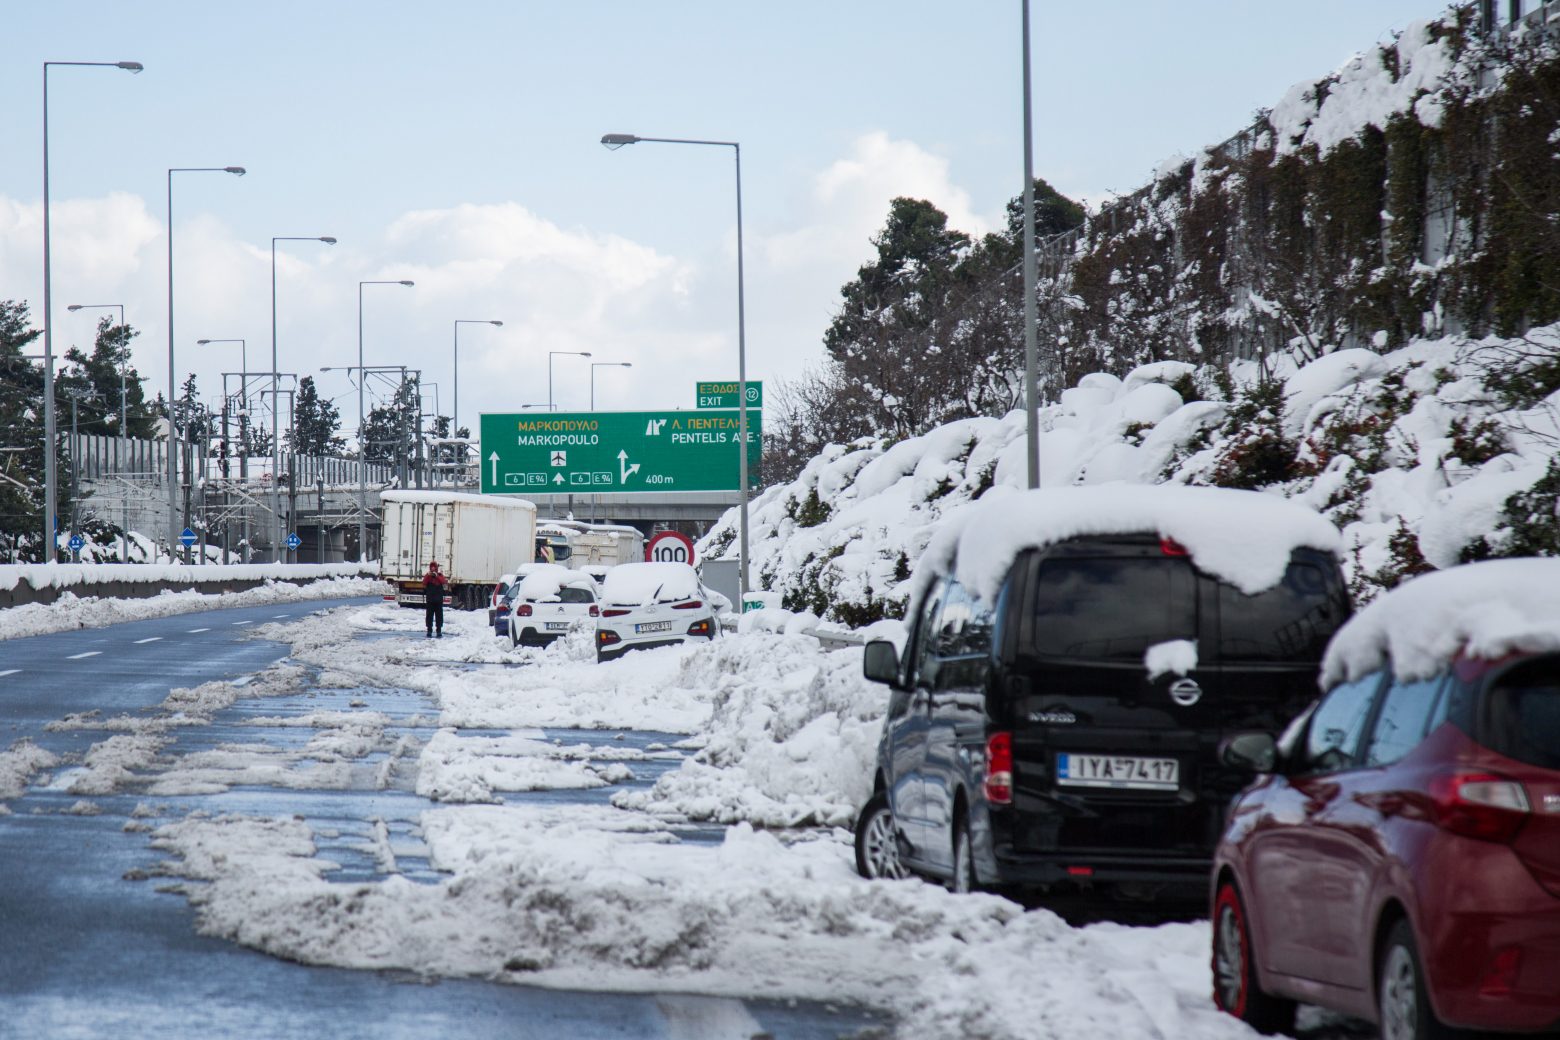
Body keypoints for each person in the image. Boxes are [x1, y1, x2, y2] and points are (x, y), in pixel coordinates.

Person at [423, 560, 447, 638]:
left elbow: (443, 581)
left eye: (434, 567)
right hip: (430, 600)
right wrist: (428, 575)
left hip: (438, 600)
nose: (433, 569)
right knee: (429, 616)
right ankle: (429, 630)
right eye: (431, 567)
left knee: (439, 616)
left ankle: (439, 630)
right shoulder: (428, 576)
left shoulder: (439, 575)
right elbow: (424, 582)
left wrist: (436, 576)